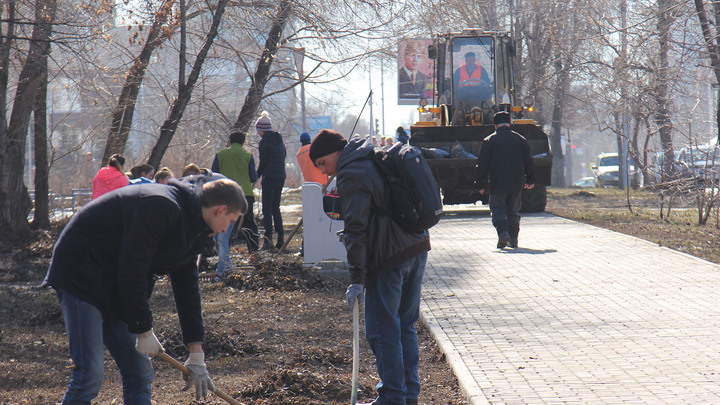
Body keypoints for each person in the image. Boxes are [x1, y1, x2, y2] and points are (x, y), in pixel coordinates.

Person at [42, 177, 247, 403]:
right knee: (90, 374)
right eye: (231, 221)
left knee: (139, 371)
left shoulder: (195, 227)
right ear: (221, 210)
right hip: (82, 274)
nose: (226, 229)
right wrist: (143, 328)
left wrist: (196, 353)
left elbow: (186, 285)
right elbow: (132, 269)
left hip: (115, 282)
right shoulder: (160, 205)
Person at [309, 129, 431, 405]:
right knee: (405, 325)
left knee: (382, 329)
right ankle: (408, 394)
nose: (325, 172)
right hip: (417, 246)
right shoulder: (371, 156)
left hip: (390, 257)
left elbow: (357, 228)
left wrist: (358, 278)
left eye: (322, 163)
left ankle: (392, 397)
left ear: (333, 152)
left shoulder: (352, 172)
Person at [475, 111, 535, 248]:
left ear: (495, 125)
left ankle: (503, 234)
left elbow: (482, 164)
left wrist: (480, 184)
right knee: (513, 211)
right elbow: (528, 162)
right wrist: (530, 180)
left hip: (497, 183)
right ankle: (513, 239)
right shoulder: (520, 139)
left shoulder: (489, 140)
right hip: (516, 183)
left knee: (497, 210)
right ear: (510, 123)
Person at [212, 130, 260, 254]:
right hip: (245, 194)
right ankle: (254, 251)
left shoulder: (220, 154)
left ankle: (223, 252)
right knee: (250, 223)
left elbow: (213, 173)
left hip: (225, 194)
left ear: (230, 141)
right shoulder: (248, 155)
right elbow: (253, 177)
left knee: (225, 224)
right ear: (243, 142)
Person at [255, 111, 287, 250]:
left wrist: (255, 176)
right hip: (280, 177)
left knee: (266, 209)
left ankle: (268, 241)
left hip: (269, 178)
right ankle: (280, 239)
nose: (258, 133)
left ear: (262, 129)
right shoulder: (279, 140)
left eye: (258, 130)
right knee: (276, 208)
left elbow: (263, 162)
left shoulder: (264, 142)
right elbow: (284, 155)